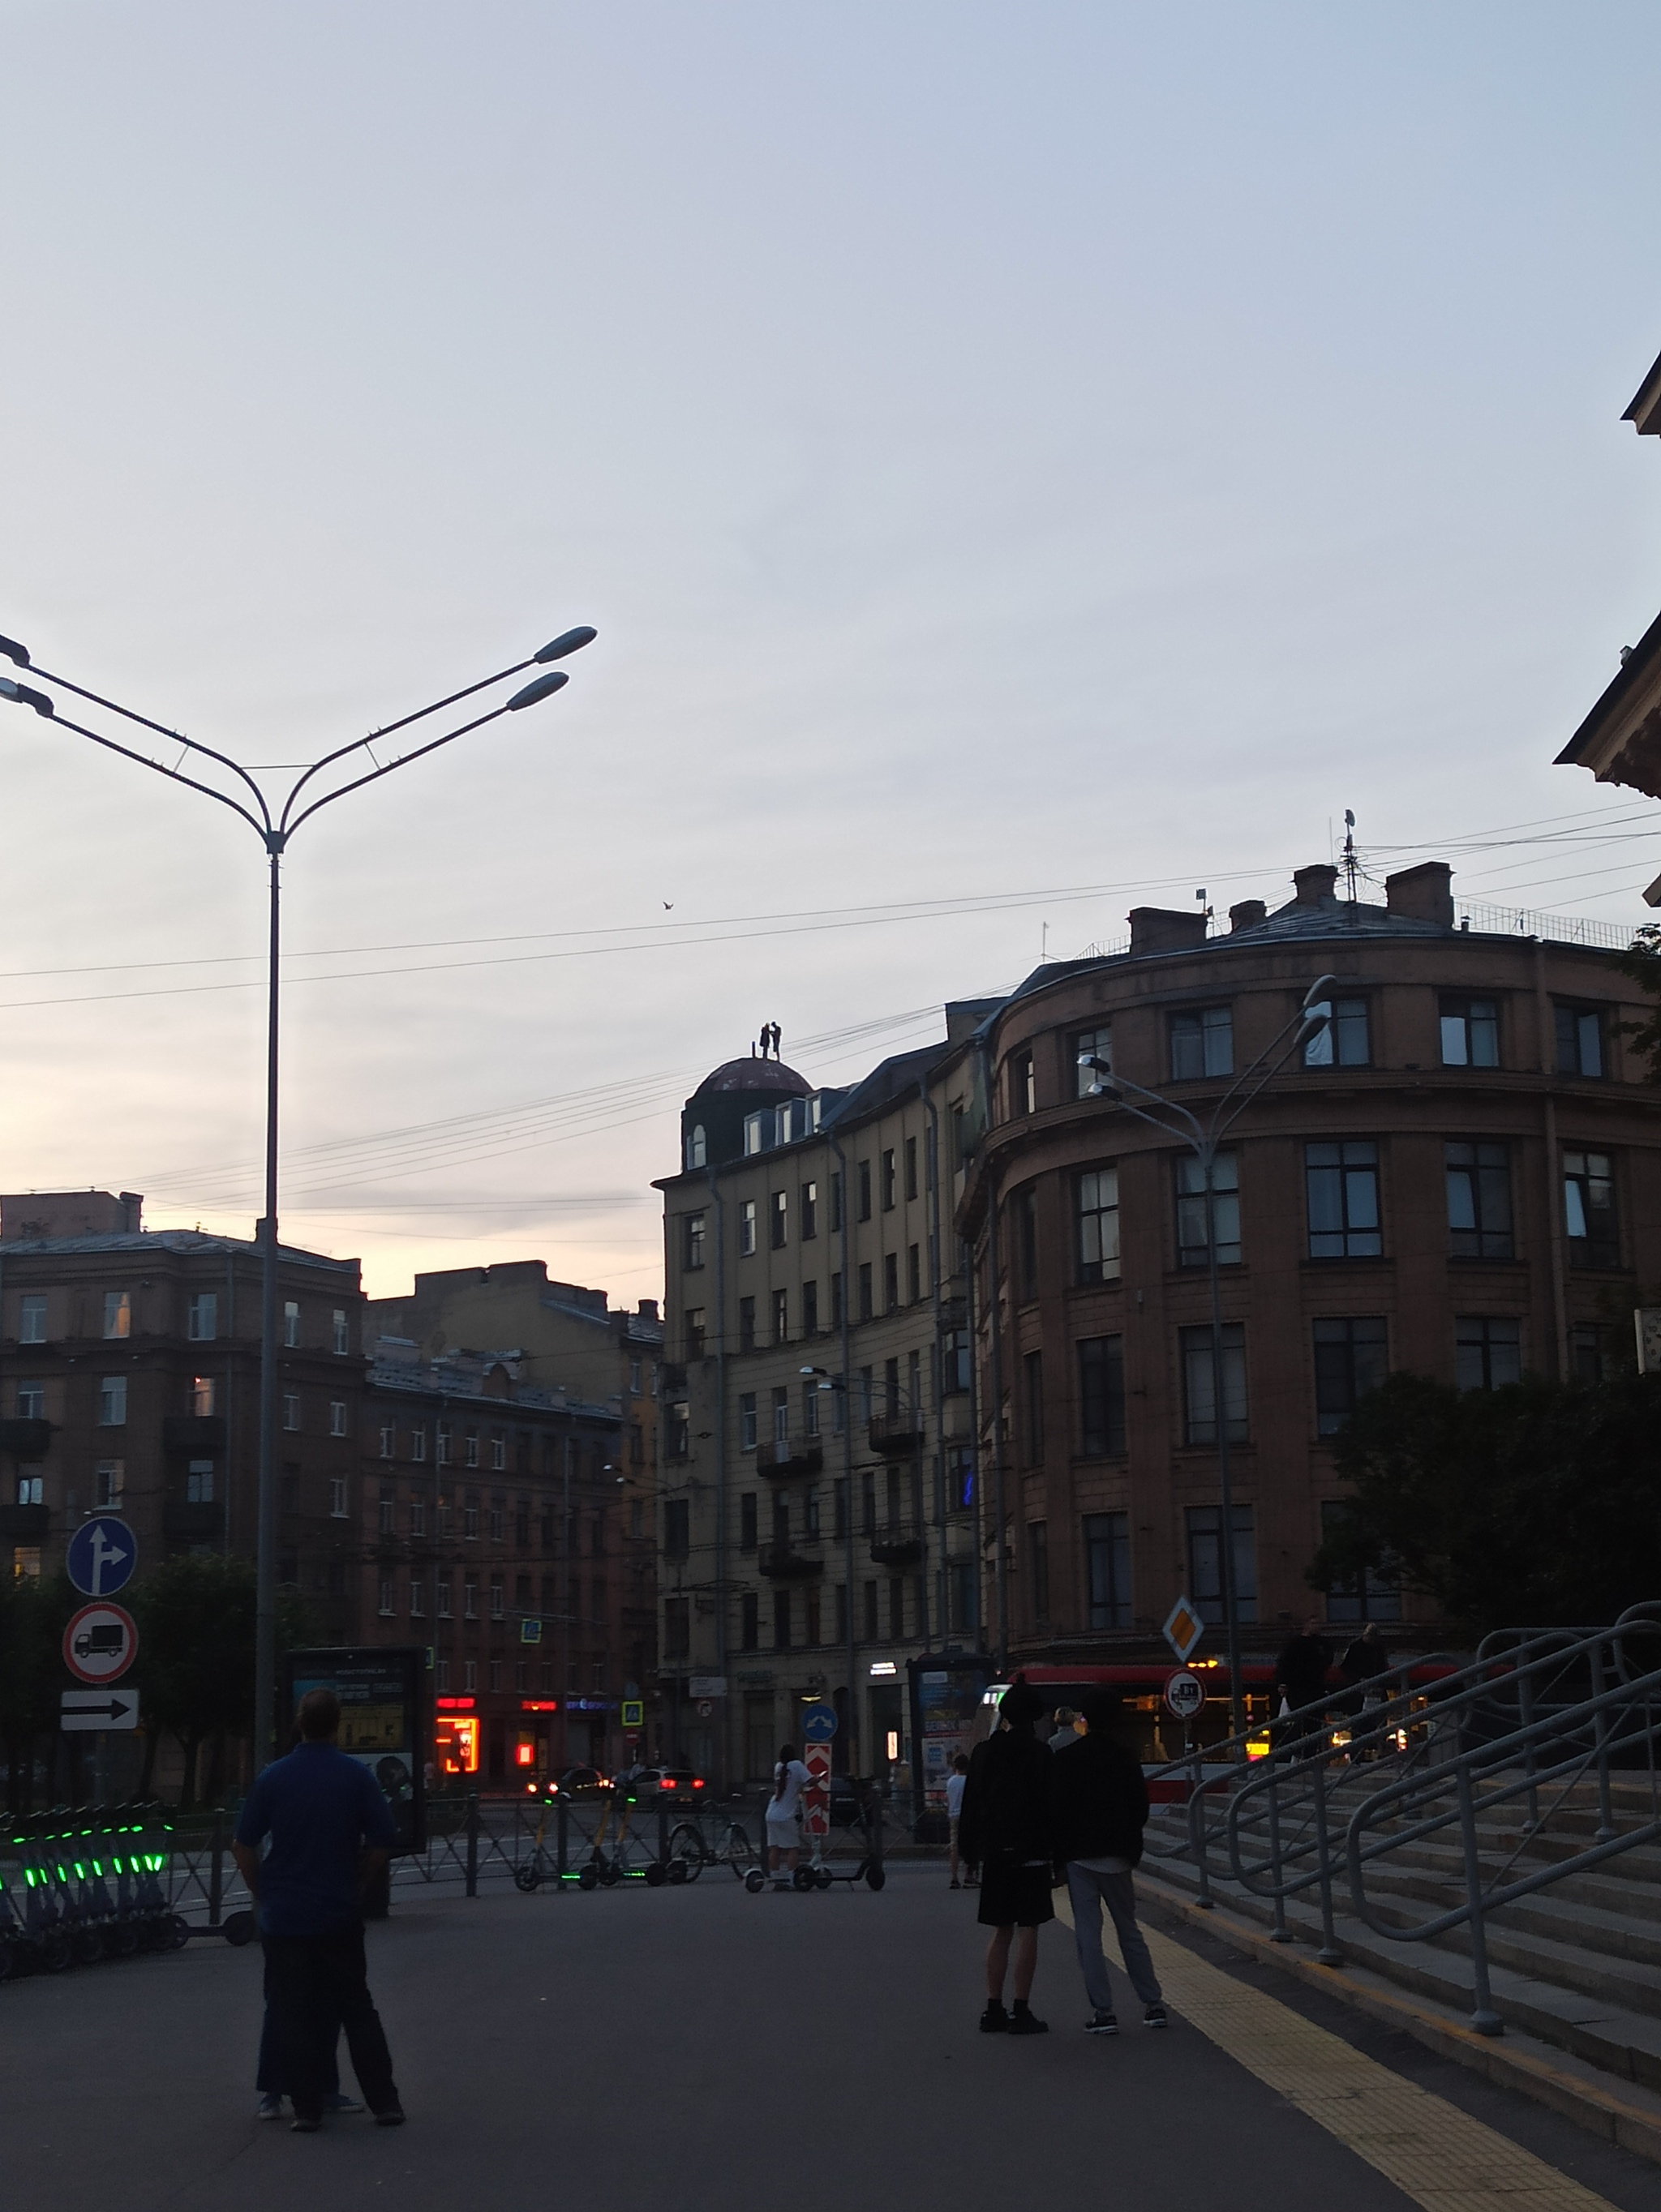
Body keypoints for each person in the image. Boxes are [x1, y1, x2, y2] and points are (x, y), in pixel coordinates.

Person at [233, 1687, 404, 2133]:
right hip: (337, 1911)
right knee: (357, 2008)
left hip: (285, 1915)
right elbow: (384, 1839)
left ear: (298, 1723)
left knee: (293, 2010)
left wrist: (262, 1890)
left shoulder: (274, 1777)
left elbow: (243, 1843)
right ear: (337, 1724)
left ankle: (305, 2110)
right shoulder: (355, 1776)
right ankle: (385, 2102)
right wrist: (361, 1880)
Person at [1051, 1691, 1166, 2035]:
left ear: (1083, 1719)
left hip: (1080, 1857)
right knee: (1129, 1929)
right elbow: (1140, 1809)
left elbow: (1058, 1812)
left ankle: (1104, 2011)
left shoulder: (1068, 1759)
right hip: (1119, 1855)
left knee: (1089, 1934)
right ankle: (1153, 2004)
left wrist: (1058, 1860)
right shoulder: (1127, 1757)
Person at [957, 1676, 1056, 2034]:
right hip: (1031, 1853)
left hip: (996, 1853)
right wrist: (1055, 1855)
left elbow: (971, 1806)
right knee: (1029, 1929)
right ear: (1035, 1716)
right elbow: (1051, 1807)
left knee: (1001, 1931)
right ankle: (1022, 2009)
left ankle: (992, 2007)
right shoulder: (1041, 1754)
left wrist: (971, 1853)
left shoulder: (984, 1752)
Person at [1273, 1616, 1332, 1751]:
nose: (1317, 1626)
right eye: (1314, 1623)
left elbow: (1328, 1658)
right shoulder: (1295, 1644)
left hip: (1315, 1687)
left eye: (1318, 1623)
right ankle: (1298, 1752)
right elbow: (1284, 1663)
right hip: (1298, 1688)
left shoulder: (1322, 1644)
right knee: (1299, 1723)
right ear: (1306, 1625)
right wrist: (1283, 1682)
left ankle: (1310, 1753)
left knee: (1314, 1724)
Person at [1339, 1621, 1390, 1754]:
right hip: (1360, 1691)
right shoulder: (1357, 1647)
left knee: (1377, 1723)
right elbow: (1346, 1668)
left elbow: (1383, 1667)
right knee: (1358, 1724)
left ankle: (1377, 1751)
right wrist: (1358, 1680)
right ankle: (1358, 1754)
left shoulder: (1378, 1649)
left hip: (1374, 1690)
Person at [766, 1743, 812, 1887]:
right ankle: (793, 1878)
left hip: (771, 1811)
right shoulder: (797, 1765)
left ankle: (776, 1877)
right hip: (786, 1814)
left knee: (775, 1847)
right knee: (792, 1848)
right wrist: (819, 1778)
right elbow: (810, 1781)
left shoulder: (778, 1767)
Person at [945, 1753, 970, 1888]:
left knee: (954, 1847)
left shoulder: (951, 1781)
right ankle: (969, 1876)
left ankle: (954, 1877)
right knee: (969, 1846)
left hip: (953, 1815)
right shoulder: (969, 1781)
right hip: (967, 1815)